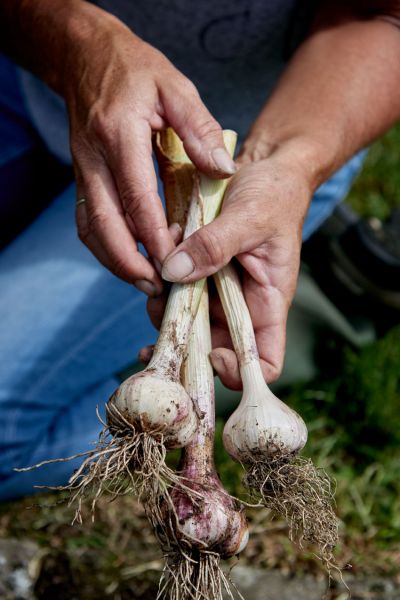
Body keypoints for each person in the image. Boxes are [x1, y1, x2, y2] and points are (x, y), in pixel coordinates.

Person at [0, 0, 399, 501]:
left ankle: (317, 294)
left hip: (263, 148)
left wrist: (289, 162)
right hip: (26, 74)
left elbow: (387, 18)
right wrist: (78, 39)